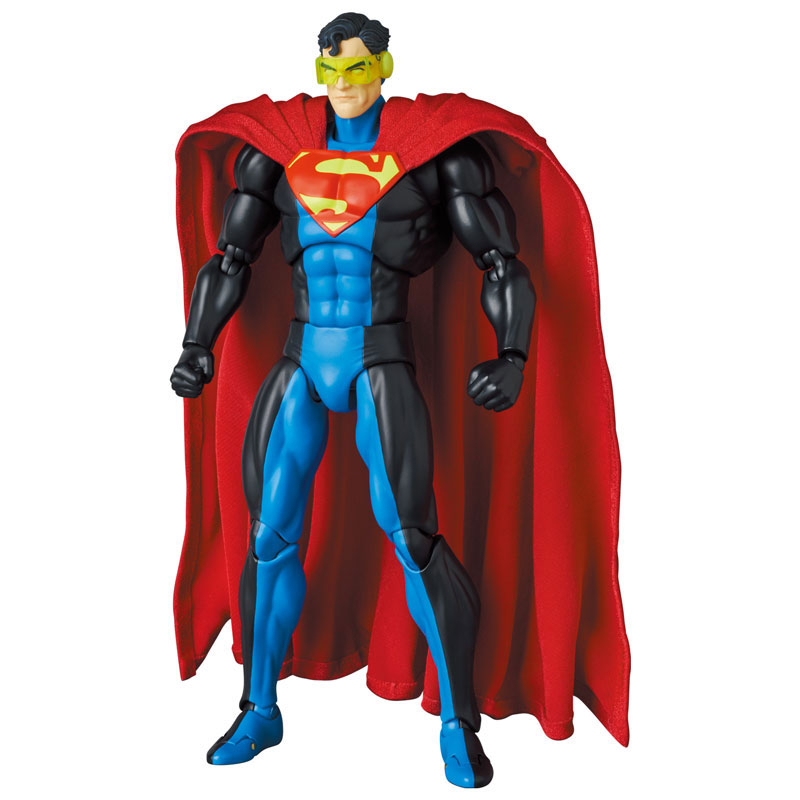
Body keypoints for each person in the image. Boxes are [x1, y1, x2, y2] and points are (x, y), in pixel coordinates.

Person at [171, 11, 629, 790]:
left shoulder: (434, 158)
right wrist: (197, 343)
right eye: (330, 70)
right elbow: (230, 258)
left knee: (415, 538)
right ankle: (258, 707)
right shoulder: (276, 155)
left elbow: (500, 262)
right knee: (268, 537)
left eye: (357, 68)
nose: (342, 84)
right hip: (299, 359)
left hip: (379, 357)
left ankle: (458, 722)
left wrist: (513, 354)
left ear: (384, 68)